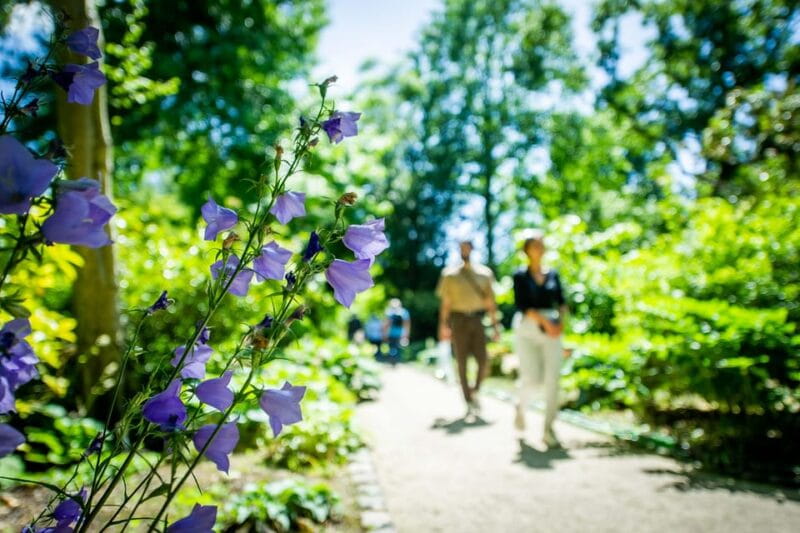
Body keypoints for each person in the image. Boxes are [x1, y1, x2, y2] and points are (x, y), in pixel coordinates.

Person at [512, 230, 568, 447]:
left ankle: (548, 429)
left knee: (553, 379)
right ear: (527, 250)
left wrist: (560, 322)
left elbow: (562, 302)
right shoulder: (520, 275)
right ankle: (521, 407)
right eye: (535, 245)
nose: (540, 248)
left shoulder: (553, 274)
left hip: (552, 329)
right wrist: (544, 322)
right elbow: (522, 306)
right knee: (532, 379)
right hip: (528, 329)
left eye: (542, 244)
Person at [436, 239, 500, 415]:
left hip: (478, 320)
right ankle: (468, 398)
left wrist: (495, 326)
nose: (464, 250)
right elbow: (446, 303)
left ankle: (476, 390)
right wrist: (443, 325)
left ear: (472, 249)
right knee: (461, 361)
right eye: (461, 247)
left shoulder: (485, 273)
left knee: (483, 360)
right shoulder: (449, 274)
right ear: (458, 250)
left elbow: (490, 302)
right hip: (458, 321)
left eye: (467, 247)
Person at [383, 298, 410, 364]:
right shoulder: (404, 312)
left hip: (391, 332)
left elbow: (386, 324)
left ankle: (392, 359)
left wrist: (384, 333)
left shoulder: (389, 312)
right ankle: (397, 360)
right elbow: (407, 324)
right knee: (398, 347)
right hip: (400, 332)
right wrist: (406, 333)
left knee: (392, 346)